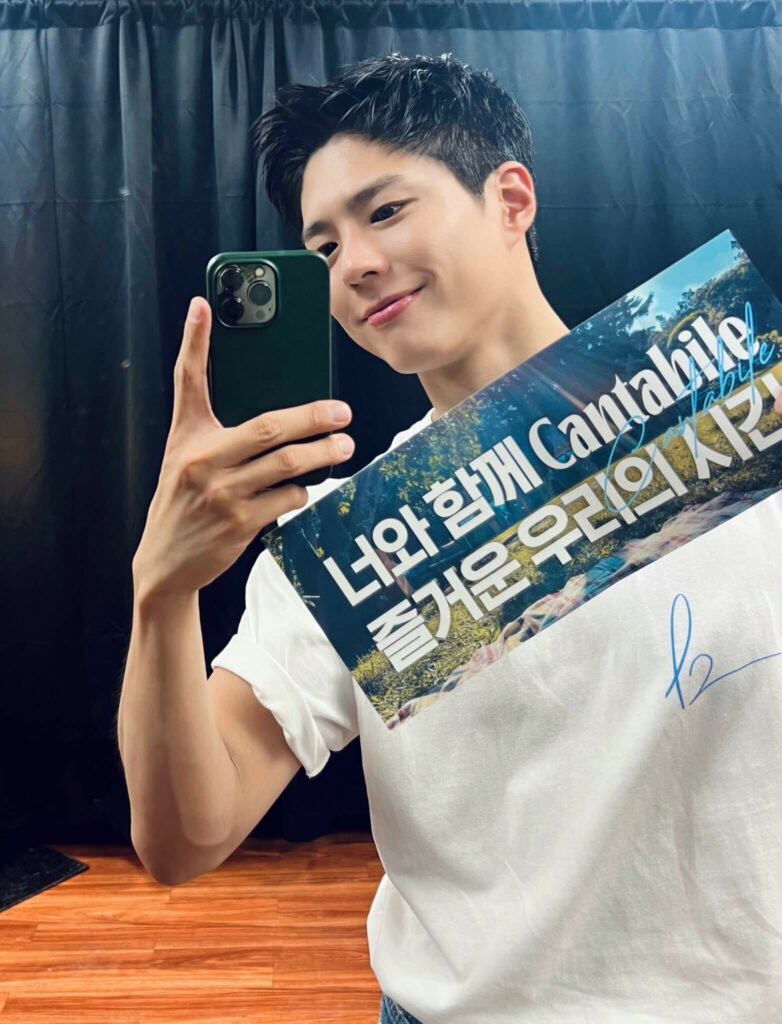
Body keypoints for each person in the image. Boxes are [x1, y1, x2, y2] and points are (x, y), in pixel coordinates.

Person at [119, 53, 782, 1024]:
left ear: (510, 200)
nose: (353, 264)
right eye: (322, 246)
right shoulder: (355, 534)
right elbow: (185, 838)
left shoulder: (728, 402)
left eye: (384, 211)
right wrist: (162, 590)